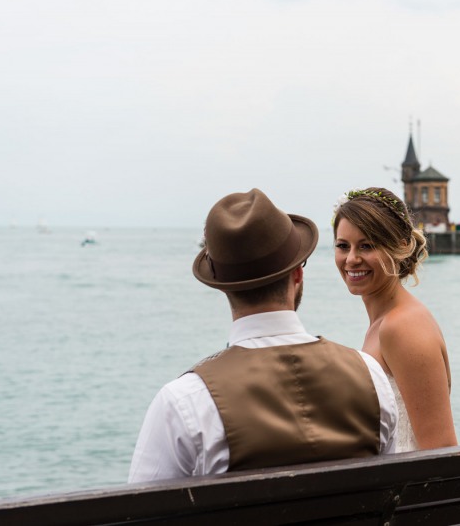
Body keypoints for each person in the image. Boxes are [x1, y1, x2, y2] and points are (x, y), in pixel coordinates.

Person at [128, 188, 397, 483]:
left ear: (221, 286)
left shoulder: (185, 401)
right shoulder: (371, 376)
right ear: (297, 275)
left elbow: (140, 512)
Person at [332, 187, 457, 452]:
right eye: (343, 246)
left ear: (399, 246)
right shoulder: (385, 322)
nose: (351, 259)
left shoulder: (403, 327)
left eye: (367, 245)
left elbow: (441, 450)